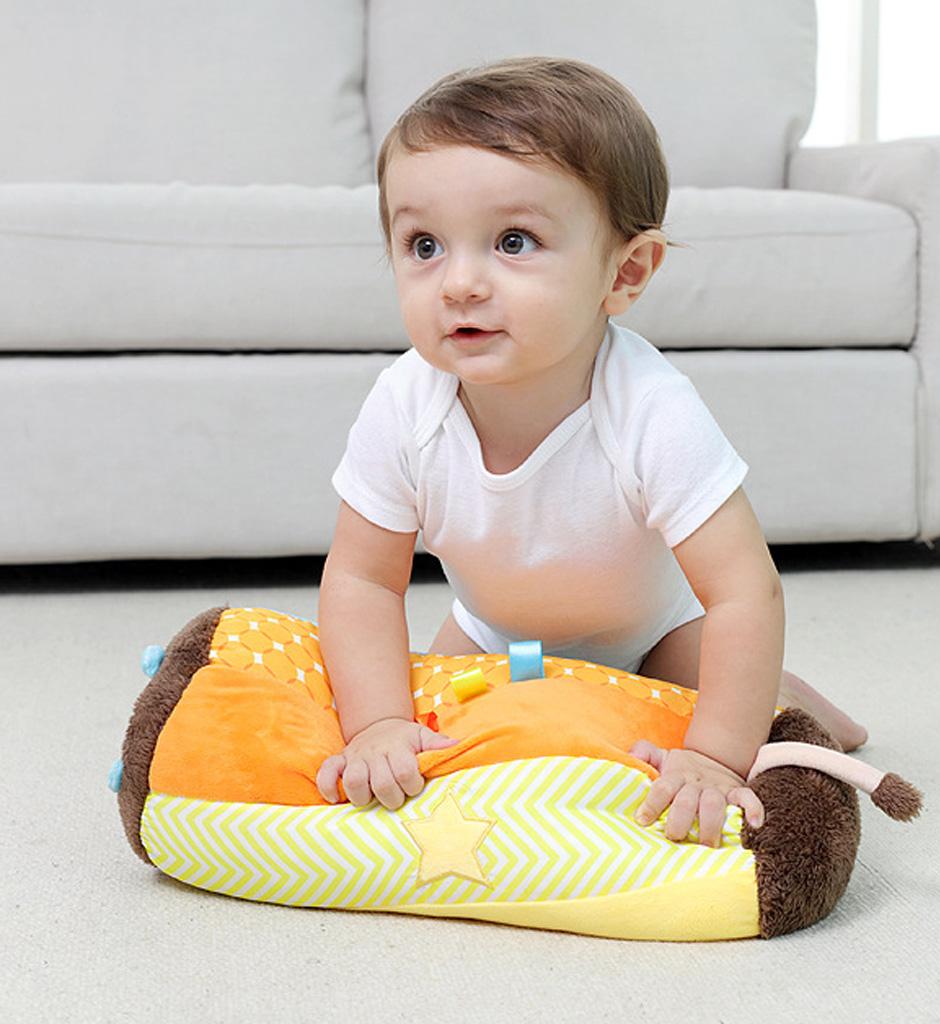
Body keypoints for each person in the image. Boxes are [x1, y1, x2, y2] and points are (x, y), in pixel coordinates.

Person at [315, 56, 868, 849]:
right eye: (424, 244)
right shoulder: (405, 404)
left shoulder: (651, 410)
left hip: (654, 630)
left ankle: (804, 703)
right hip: (488, 630)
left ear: (626, 271)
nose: (459, 283)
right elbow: (364, 577)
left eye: (513, 241)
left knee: (752, 713)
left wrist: (714, 756)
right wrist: (375, 724)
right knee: (436, 738)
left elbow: (746, 593)